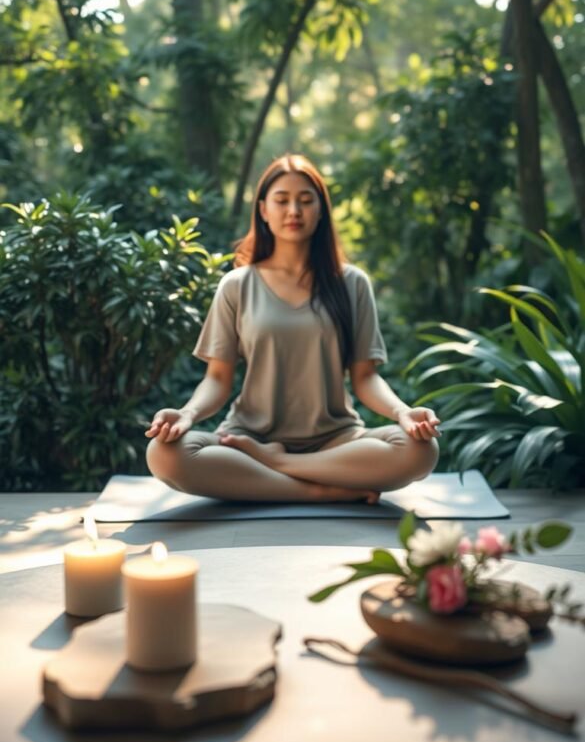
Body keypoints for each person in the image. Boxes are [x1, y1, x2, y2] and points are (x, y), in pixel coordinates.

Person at [145, 153, 440, 503]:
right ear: (263, 211)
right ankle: (321, 491)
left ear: (321, 211)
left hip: (336, 440)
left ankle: (277, 465)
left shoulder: (352, 284)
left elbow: (365, 379)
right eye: (282, 200)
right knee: (163, 454)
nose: (294, 211)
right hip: (249, 437)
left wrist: (403, 412)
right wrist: (187, 414)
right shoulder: (237, 285)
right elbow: (217, 379)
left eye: (305, 200)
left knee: (421, 450)